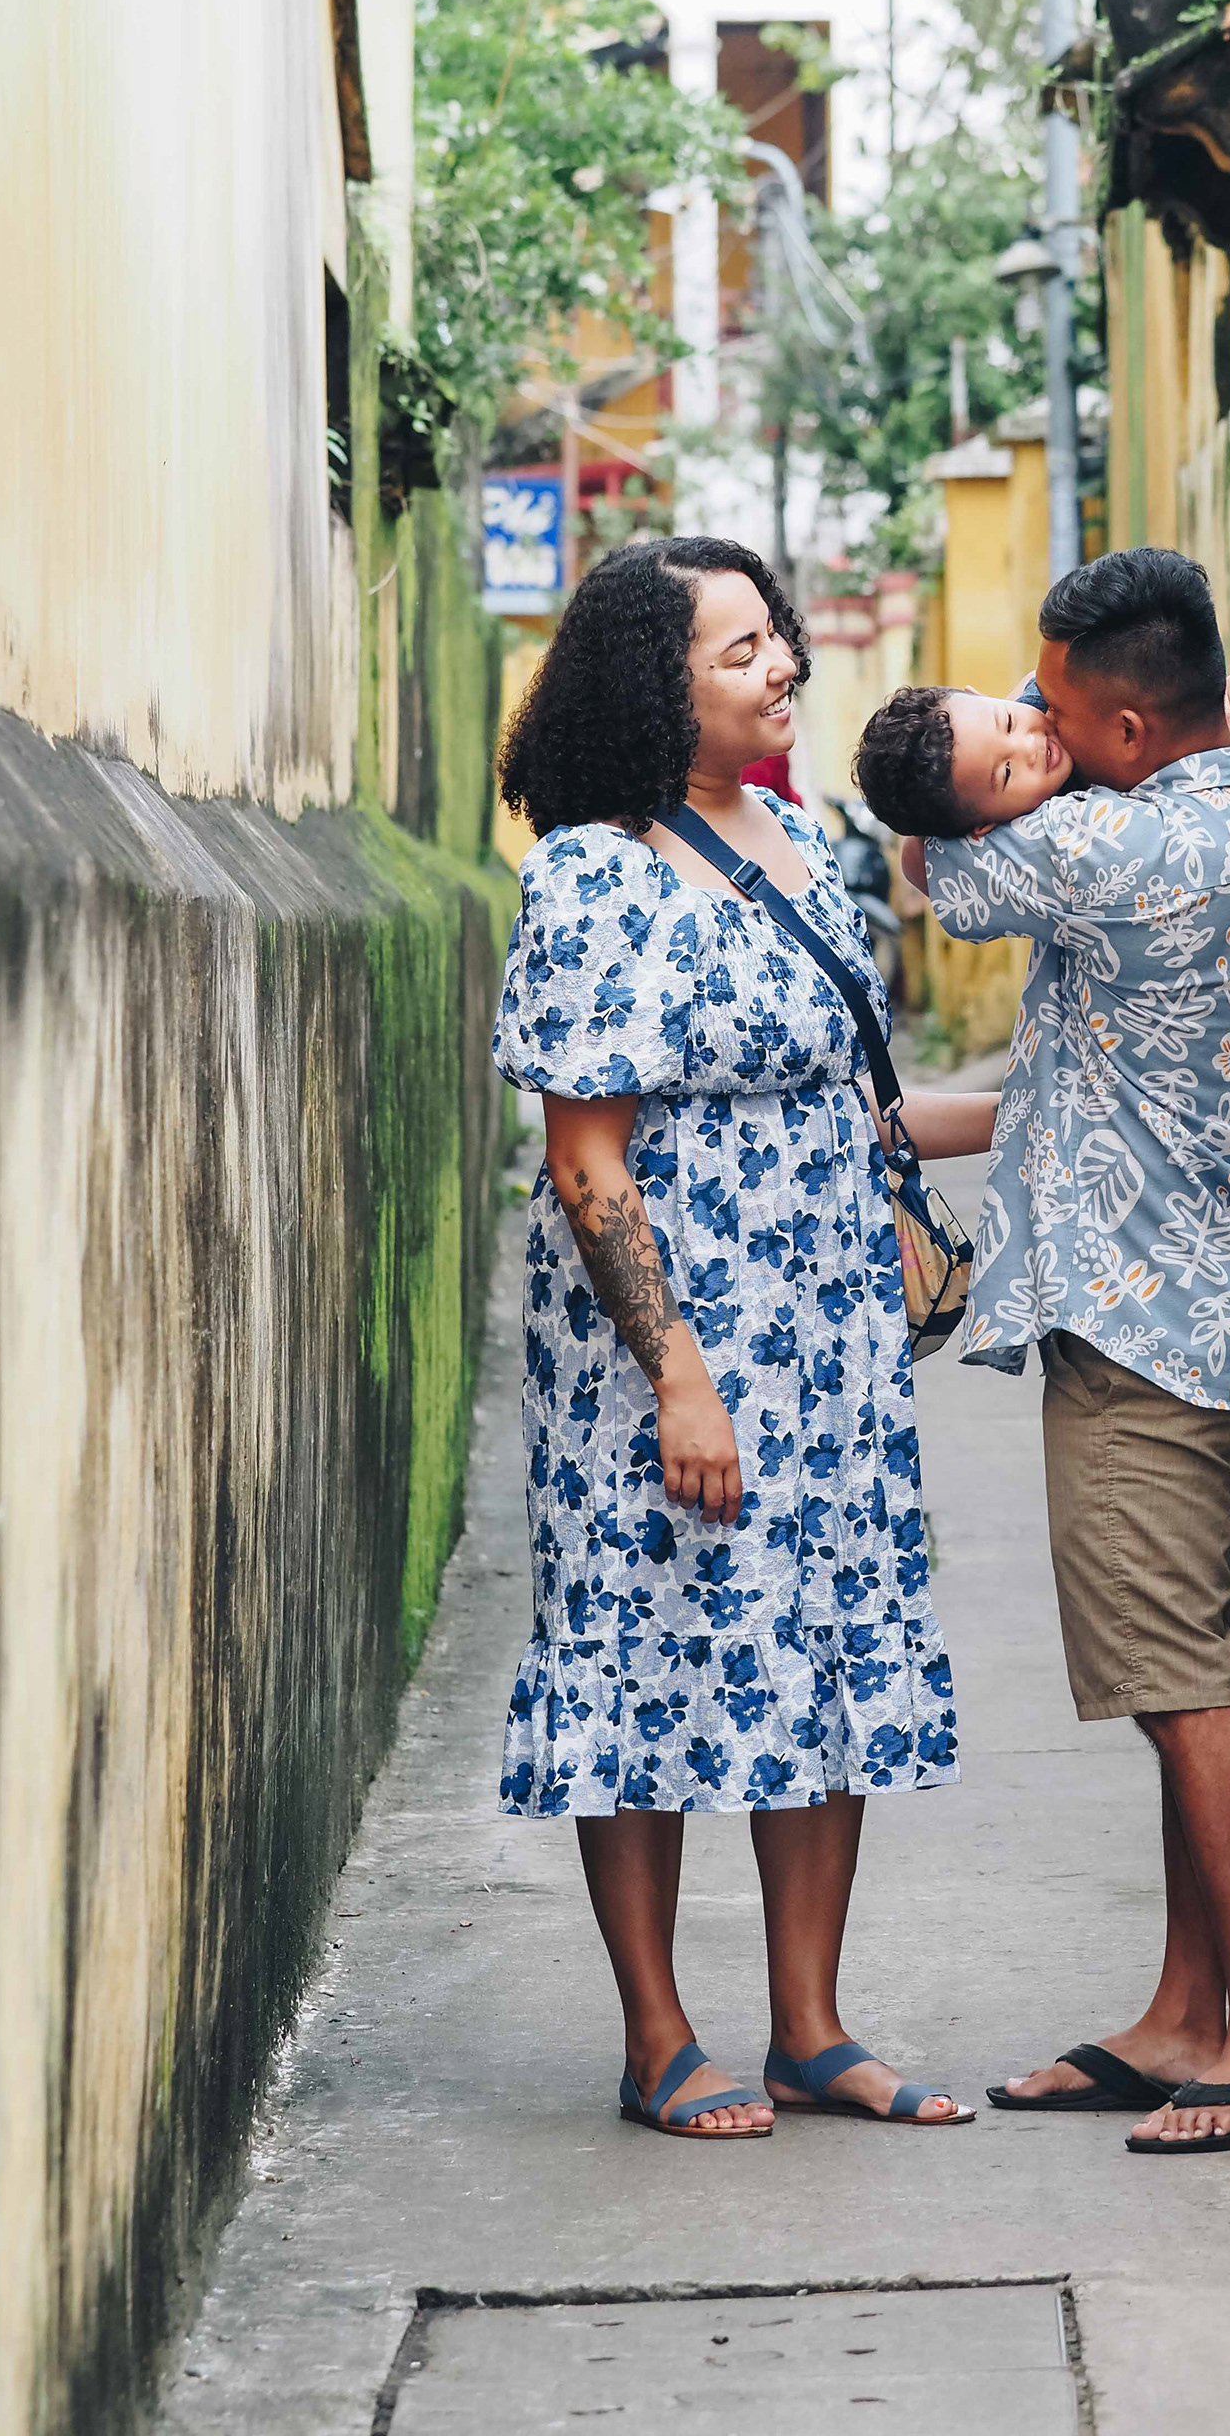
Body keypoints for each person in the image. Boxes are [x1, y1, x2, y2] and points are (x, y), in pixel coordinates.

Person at [901, 547, 1230, 2155]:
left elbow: (935, 865)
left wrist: (970, 777)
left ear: (1128, 724)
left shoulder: (1101, 853)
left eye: (1046, 711)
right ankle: (1187, 2013)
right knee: (1206, 1667)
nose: (1032, 733)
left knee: (1185, 1688)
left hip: (1143, 1334)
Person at [491, 538, 998, 2139]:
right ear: (658, 687)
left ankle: (811, 2029)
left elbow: (860, 1110)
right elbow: (588, 1158)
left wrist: (1045, 1105)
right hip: (666, 1355)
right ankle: (657, 2038)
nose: (780, 664)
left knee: (822, 1648)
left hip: (829, 1337)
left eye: (776, 635)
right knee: (637, 1655)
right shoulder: (592, 873)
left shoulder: (791, 836)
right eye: (737, 652)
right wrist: (681, 1379)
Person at [854, 676, 1230, 996]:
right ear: (981, 823)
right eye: (1006, 772)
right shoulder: (1024, 844)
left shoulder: (1063, 702)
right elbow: (917, 857)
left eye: (1009, 722)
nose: (1029, 746)